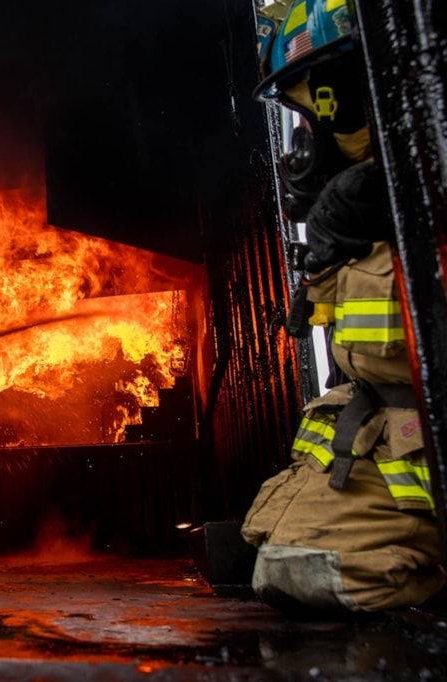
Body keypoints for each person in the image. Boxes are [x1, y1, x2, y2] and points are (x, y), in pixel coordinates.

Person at [240, 0, 445, 615]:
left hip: (418, 457)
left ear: (345, 93)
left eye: (306, 112)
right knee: (265, 544)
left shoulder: (421, 188)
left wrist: (388, 198)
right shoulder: (362, 211)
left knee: (306, 570)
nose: (303, 138)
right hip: (381, 446)